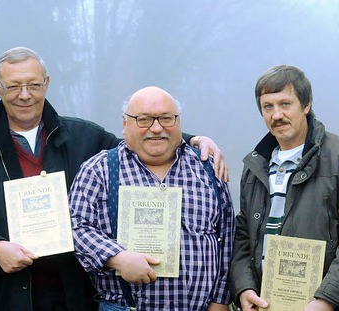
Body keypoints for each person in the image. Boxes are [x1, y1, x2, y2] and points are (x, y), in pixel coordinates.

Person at [0, 47, 227, 311]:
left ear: (47, 84)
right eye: (14, 86)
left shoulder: (84, 136)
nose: (25, 95)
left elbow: (141, 138)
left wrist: (192, 139)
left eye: (33, 85)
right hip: (12, 292)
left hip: (76, 291)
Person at [69, 86, 235, 310]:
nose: (156, 128)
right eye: (144, 119)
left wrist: (220, 300)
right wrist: (116, 257)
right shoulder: (99, 170)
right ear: (125, 123)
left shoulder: (208, 169)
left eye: (166, 118)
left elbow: (227, 238)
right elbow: (75, 227)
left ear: (178, 122)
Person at [230, 65, 339, 311]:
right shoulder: (254, 166)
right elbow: (244, 236)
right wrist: (244, 289)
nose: (276, 115)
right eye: (268, 107)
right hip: (265, 304)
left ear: (306, 105)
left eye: (285, 104)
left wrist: (327, 299)